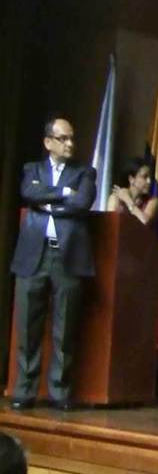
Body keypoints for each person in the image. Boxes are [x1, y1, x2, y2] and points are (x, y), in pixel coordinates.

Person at [10, 117, 96, 411]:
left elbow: (82, 203)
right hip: (33, 256)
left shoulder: (84, 172)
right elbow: (28, 193)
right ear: (48, 142)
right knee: (27, 327)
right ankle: (24, 389)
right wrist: (63, 194)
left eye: (72, 138)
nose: (70, 144)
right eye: (63, 138)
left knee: (65, 328)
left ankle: (60, 391)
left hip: (67, 258)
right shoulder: (31, 170)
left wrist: (47, 202)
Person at [105, 157, 158, 225]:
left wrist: (127, 199)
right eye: (145, 177)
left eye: (150, 177)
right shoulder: (115, 198)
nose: (149, 181)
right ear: (131, 179)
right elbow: (110, 225)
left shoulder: (153, 201)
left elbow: (144, 222)